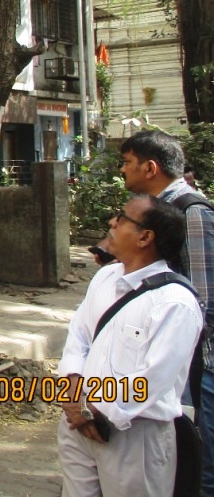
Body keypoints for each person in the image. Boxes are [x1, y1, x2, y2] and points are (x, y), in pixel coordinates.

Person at [56, 195, 203, 497]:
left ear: (145, 237)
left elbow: (152, 381)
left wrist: (94, 410)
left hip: (134, 435)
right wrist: (73, 395)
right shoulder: (106, 277)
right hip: (77, 424)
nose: (112, 222)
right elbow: (80, 336)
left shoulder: (175, 303)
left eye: (122, 218)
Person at [119, 128, 214, 491]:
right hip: (170, 360)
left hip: (197, 365)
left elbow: (205, 302)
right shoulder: (159, 213)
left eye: (127, 162)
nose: (122, 171)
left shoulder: (191, 212)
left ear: (150, 167)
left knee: (199, 462)